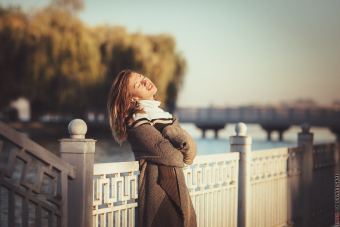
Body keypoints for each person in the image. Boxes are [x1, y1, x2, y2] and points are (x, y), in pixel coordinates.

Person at [107, 69, 197, 227]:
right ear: (133, 97)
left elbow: (191, 152)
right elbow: (173, 156)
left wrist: (172, 135)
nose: (145, 81)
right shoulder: (135, 121)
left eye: (142, 77)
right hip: (160, 190)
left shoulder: (165, 115)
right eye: (138, 84)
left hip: (178, 185)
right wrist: (171, 132)